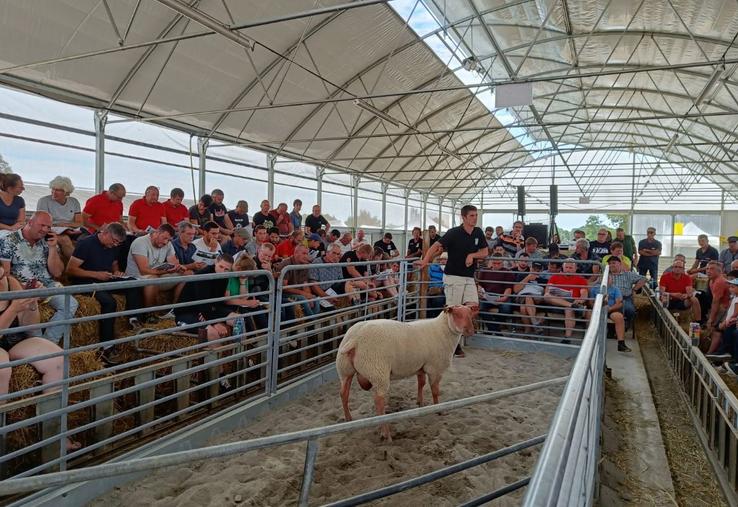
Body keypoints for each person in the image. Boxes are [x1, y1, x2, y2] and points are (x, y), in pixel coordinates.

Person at [0, 264, 79, 450]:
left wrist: (31, 303)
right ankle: (2, 438)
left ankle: (54, 432)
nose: (2, 282)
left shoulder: (11, 283)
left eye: (2, 275)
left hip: (14, 339)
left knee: (57, 359)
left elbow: (30, 328)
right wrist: (12, 310)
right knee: (2, 368)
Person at [65, 223, 142, 363]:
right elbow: (70, 270)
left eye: (118, 243)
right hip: (84, 281)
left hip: (104, 278)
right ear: (105, 233)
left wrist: (116, 271)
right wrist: (96, 275)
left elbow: (113, 262)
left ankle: (133, 320)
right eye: (114, 241)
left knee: (133, 284)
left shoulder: (113, 246)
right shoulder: (86, 243)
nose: (115, 245)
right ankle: (107, 347)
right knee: (109, 302)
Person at [417, 205, 487, 357]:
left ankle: (451, 338)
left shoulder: (478, 232)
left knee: (473, 307)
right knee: (452, 311)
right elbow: (436, 246)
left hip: (468, 276)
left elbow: (485, 251)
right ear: (464, 217)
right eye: (472, 216)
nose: (475, 218)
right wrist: (426, 260)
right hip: (453, 276)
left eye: (476, 215)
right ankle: (451, 345)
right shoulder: (454, 233)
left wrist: (472, 256)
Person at [0, 212, 79, 343]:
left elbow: (57, 273)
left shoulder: (47, 242)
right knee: (31, 309)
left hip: (47, 285)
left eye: (48, 227)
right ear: (29, 223)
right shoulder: (8, 240)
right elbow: (5, 274)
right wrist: (24, 288)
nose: (45, 230)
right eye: (42, 225)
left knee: (70, 303)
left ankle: (48, 342)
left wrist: (53, 248)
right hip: (22, 287)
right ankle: (37, 342)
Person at [125, 223, 182, 316]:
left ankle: (174, 310)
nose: (166, 242)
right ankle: (150, 315)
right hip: (137, 277)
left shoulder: (168, 244)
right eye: (164, 238)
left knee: (187, 275)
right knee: (153, 278)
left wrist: (176, 267)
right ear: (156, 233)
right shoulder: (140, 242)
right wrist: (164, 271)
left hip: (157, 275)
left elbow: (173, 262)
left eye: (168, 240)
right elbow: (143, 270)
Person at [36, 176, 82, 259]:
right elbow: (41, 223)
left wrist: (66, 226)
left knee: (86, 240)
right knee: (65, 240)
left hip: (70, 229)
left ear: (66, 192)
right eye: (53, 189)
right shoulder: (43, 201)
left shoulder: (74, 202)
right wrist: (62, 228)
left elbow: (79, 222)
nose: (53, 192)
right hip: (49, 230)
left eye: (58, 190)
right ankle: (76, 267)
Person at [544, 259, 589, 343]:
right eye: (566, 267)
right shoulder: (554, 277)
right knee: (546, 296)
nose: (568, 269)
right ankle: (570, 305)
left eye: (571, 268)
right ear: (563, 268)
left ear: (575, 269)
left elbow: (584, 294)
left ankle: (567, 338)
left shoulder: (581, 279)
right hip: (556, 303)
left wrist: (579, 300)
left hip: (573, 303)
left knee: (568, 309)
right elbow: (547, 291)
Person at [589, 274, 630, 352]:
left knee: (619, 317)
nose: (607, 280)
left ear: (612, 280)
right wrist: (597, 307)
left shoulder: (615, 289)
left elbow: (619, 303)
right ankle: (591, 340)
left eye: (608, 278)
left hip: (611, 309)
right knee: (589, 315)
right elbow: (590, 302)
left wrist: (610, 308)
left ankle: (621, 343)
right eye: (604, 278)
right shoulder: (594, 289)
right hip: (597, 309)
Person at [275, 245, 319, 318]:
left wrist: (309, 296)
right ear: (295, 253)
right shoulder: (286, 264)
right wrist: (304, 294)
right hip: (283, 293)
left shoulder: (305, 264)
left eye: (307, 254)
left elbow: (305, 284)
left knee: (314, 298)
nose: (306, 256)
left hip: (297, 292)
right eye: (303, 253)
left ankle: (313, 320)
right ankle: (312, 321)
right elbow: (284, 287)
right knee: (302, 298)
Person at [477, 254, 515, 331]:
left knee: (506, 309)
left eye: (499, 263)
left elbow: (508, 288)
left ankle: (492, 329)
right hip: (487, 296)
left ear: (503, 263)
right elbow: (480, 285)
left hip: (502, 296)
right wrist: (480, 292)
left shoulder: (508, 272)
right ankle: (495, 329)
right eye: (494, 263)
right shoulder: (485, 271)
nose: (496, 265)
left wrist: (503, 298)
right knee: (479, 307)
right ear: (491, 262)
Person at [308, 243, 352, 308]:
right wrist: (327, 297)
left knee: (349, 283)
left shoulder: (337, 264)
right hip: (322, 292)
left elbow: (341, 281)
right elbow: (314, 285)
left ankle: (353, 302)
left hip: (334, 290)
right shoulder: (316, 263)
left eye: (338, 254)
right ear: (327, 252)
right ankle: (353, 302)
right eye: (334, 253)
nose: (336, 256)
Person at [608, 255, 647, 322]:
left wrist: (634, 289)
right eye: (610, 264)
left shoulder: (628, 274)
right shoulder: (606, 275)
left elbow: (644, 278)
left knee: (630, 310)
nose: (611, 265)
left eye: (613, 263)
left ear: (620, 264)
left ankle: (626, 325)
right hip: (610, 298)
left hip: (625, 298)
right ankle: (610, 327)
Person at [706, 261, 731, 354]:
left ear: (719, 271)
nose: (708, 271)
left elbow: (716, 302)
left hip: (725, 308)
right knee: (713, 329)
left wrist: (711, 319)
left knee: (716, 330)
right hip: (722, 307)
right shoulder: (711, 280)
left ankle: (710, 354)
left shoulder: (719, 281)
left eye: (712, 269)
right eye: (707, 269)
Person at [427, 252, 447, 318]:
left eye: (445, 259)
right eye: (441, 259)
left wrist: (440, 289)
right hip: (431, 289)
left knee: (439, 300)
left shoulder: (450, 270)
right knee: (424, 299)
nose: (443, 261)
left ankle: (437, 318)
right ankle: (428, 319)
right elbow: (427, 277)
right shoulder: (433, 267)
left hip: (442, 291)